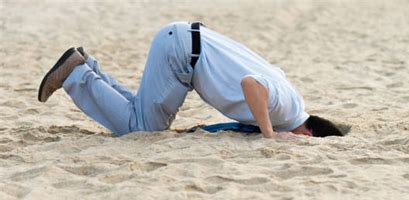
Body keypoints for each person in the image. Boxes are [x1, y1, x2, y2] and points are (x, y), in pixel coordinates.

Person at [38, 22, 343, 138]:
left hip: (184, 45)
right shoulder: (286, 110)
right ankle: (76, 76)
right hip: (182, 55)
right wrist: (268, 135)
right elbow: (252, 85)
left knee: (141, 111)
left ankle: (86, 66)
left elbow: (271, 73)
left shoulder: (292, 102)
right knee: (142, 128)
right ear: (308, 135)